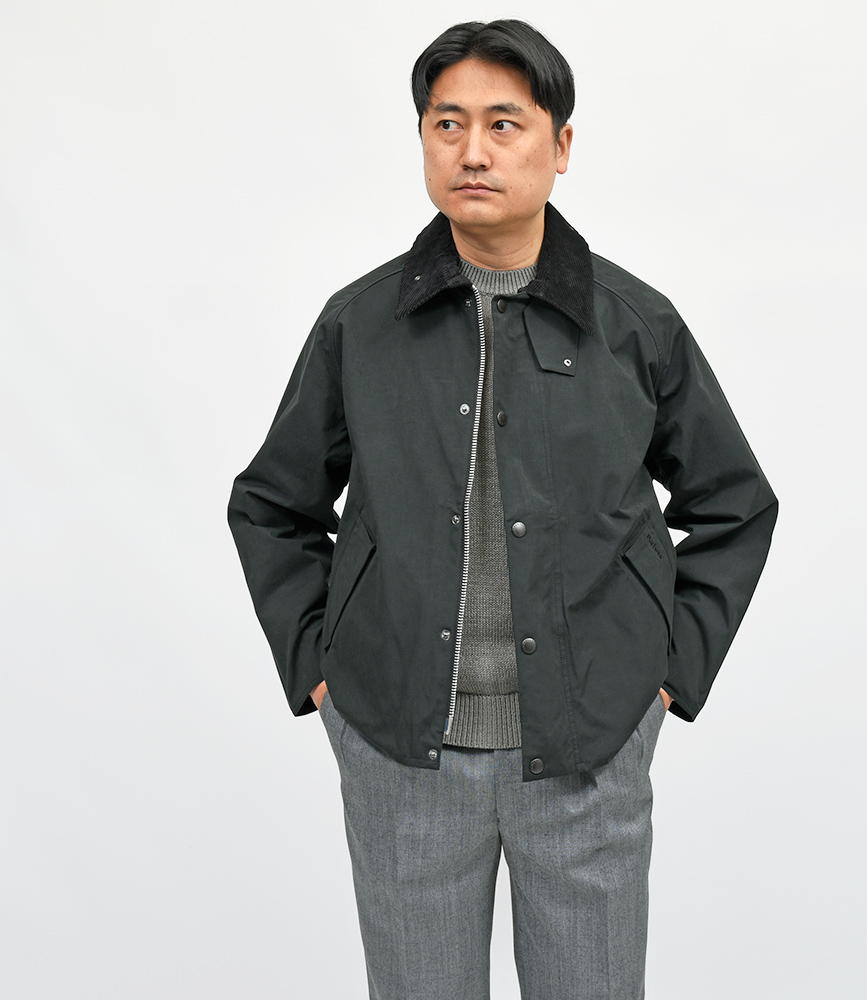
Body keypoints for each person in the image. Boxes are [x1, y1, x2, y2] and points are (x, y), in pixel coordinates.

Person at [229, 19, 777, 1000]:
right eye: (447, 124)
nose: (472, 151)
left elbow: (733, 502)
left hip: (587, 753)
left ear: (559, 146)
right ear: (422, 139)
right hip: (400, 750)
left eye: (503, 124)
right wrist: (322, 672)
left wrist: (663, 678)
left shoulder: (634, 326)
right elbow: (273, 504)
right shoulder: (360, 324)